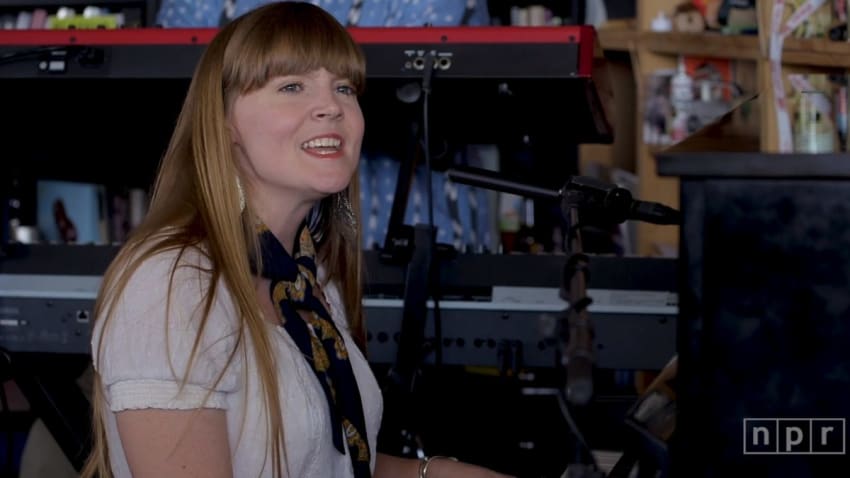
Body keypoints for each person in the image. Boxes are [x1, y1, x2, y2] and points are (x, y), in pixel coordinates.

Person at [82, 2, 512, 477]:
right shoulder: (172, 286)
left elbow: (331, 466)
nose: (333, 106)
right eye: (292, 86)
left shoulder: (311, 281)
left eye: (345, 88)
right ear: (225, 123)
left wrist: (437, 472)